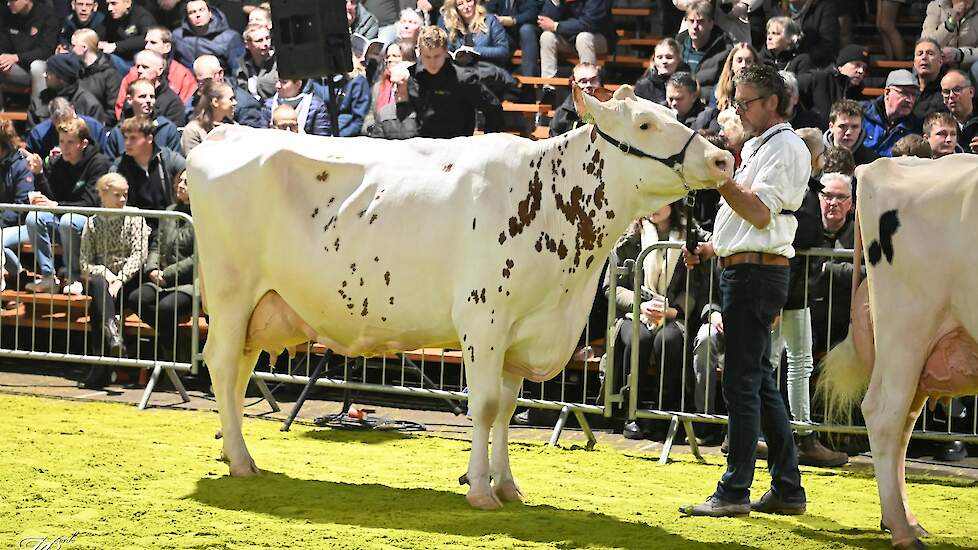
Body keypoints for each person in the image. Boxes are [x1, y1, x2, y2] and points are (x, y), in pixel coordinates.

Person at [680, 63, 809, 518]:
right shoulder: (763, 147)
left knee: (741, 381)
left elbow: (757, 214)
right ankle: (788, 488)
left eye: (745, 102)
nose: (739, 109)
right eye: (736, 101)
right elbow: (750, 224)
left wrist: (718, 177)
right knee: (758, 382)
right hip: (747, 269)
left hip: (757, 275)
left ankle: (735, 490)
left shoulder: (785, 148)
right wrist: (713, 249)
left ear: (772, 102)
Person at [768, 126, 849, 468]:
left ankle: (777, 432)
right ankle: (799, 435)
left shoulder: (795, 188)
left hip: (787, 291)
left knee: (778, 362)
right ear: (815, 158)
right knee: (789, 363)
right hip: (787, 291)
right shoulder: (799, 196)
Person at [605, 200, 703, 440]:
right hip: (633, 314)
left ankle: (663, 414)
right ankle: (631, 414)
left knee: (668, 341)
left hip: (671, 316)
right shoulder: (629, 235)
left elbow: (697, 285)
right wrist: (640, 304)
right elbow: (612, 287)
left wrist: (675, 310)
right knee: (640, 337)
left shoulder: (691, 235)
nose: (652, 205)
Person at [77, 172, 151, 388]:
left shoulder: (134, 216)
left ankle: (100, 365)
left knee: (98, 304)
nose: (122, 200)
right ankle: (112, 335)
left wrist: (119, 279)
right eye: (117, 195)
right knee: (99, 286)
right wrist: (106, 274)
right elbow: (84, 263)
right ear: (102, 194)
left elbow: (140, 254)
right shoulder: (92, 222)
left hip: (130, 281)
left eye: (125, 195)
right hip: (104, 283)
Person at [23, 117, 110, 294]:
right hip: (62, 216)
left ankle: (74, 278)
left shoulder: (99, 163)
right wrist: (39, 174)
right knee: (34, 217)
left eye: (70, 142)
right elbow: (51, 197)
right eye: (62, 141)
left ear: (83, 143)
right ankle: (48, 277)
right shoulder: (57, 163)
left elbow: (90, 203)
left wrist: (55, 205)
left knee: (68, 220)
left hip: (89, 221)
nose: (64, 147)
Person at [127, 169, 196, 362]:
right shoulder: (170, 212)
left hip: (190, 282)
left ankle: (169, 356)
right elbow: (156, 244)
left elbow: (198, 257)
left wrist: (168, 273)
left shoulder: (205, 215)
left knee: (166, 309)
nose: (180, 185)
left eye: (187, 183)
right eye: (179, 181)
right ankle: (173, 350)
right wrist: (152, 269)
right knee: (137, 298)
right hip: (161, 278)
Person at [399, 26, 503, 138]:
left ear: (445, 52)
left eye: (437, 56)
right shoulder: (413, 77)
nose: (432, 62)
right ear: (419, 53)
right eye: (427, 57)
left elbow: (493, 108)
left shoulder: (464, 79)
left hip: (456, 147)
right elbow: (404, 115)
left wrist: (487, 143)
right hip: (423, 147)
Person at [809, 171, 857, 358]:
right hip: (809, 321)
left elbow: (869, 273)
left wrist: (828, 270)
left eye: (841, 197)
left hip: (846, 325)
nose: (833, 202)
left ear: (850, 204)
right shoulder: (804, 231)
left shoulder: (862, 235)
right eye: (828, 196)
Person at [115, 26, 199, 119]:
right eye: (146, 42)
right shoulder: (134, 73)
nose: (147, 47)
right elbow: (121, 106)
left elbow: (183, 109)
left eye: (153, 43)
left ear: (167, 47)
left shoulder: (182, 74)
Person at [110, 116, 185, 213]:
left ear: (149, 138)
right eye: (125, 138)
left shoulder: (169, 159)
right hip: (134, 223)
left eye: (133, 138)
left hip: (168, 221)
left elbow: (189, 175)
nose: (127, 143)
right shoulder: (119, 166)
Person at [0, 0, 58, 106]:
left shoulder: (47, 15)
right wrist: (4, 58)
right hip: (15, 68)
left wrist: (17, 57)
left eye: (13, 1)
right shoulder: (6, 14)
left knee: (36, 66)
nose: (9, 3)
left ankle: (38, 115)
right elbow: (3, 44)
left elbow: (46, 50)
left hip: (41, 69)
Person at [797, 43, 870, 129]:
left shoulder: (859, 95)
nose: (861, 71)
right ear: (840, 66)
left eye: (864, 68)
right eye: (857, 65)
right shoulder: (818, 79)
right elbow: (788, 89)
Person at [106, 79, 182, 160]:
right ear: (129, 99)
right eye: (142, 96)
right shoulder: (118, 133)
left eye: (152, 97)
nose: (148, 100)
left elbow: (177, 165)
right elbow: (110, 166)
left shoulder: (167, 129)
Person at [538, 0, 613, 81]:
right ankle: (548, 87)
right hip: (569, 39)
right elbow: (545, 21)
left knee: (583, 37)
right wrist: (556, 2)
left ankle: (587, 83)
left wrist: (557, 26)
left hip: (598, 39)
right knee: (547, 36)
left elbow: (589, 23)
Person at [28, 52, 108, 128]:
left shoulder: (89, 104)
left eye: (48, 72)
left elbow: (96, 138)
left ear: (61, 78)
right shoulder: (39, 100)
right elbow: (31, 135)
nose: (44, 75)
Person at [692, 42, 757, 132]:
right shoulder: (718, 91)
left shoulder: (759, 94)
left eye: (749, 61)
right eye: (739, 60)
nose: (743, 65)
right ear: (731, 64)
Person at [676, 0, 733, 103]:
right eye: (691, 21)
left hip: (708, 105)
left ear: (711, 24)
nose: (695, 27)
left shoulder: (724, 50)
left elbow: (725, 86)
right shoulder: (678, 47)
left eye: (700, 21)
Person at [0, 120, 34, 288]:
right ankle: (19, 274)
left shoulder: (22, 166)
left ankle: (16, 276)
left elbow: (21, 206)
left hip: (23, 224)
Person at [115, 49, 187, 126]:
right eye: (138, 66)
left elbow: (172, 133)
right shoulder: (133, 94)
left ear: (159, 70)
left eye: (145, 67)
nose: (139, 70)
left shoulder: (172, 102)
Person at [189, 54, 263, 128]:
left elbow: (250, 135)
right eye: (198, 81)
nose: (201, 86)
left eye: (206, 80)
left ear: (220, 74)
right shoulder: (196, 99)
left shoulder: (246, 105)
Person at [171, 0, 245, 74]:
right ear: (187, 17)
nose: (198, 15)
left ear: (210, 13)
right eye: (192, 12)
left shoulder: (230, 37)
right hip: (188, 82)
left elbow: (238, 71)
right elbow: (171, 63)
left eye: (201, 10)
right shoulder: (178, 36)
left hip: (218, 82)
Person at [862, 69, 922, 157]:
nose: (910, 100)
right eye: (904, 93)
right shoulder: (862, 115)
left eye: (914, 95)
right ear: (887, 92)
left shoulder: (915, 128)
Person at [26, 97, 108, 161]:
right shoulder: (38, 134)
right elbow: (32, 163)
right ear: (51, 118)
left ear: (73, 109)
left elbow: (103, 158)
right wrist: (49, 160)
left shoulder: (95, 127)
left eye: (68, 120)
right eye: (59, 124)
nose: (65, 126)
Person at [72, 29, 124, 127]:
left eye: (74, 46)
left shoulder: (110, 74)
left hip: (97, 126)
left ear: (84, 47)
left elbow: (113, 110)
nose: (71, 49)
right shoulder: (74, 70)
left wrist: (92, 123)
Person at [439, 0, 511, 67]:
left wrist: (474, 50)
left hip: (488, 70)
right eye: (460, 4)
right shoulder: (451, 25)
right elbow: (448, 51)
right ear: (455, 8)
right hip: (462, 72)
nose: (466, 6)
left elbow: (503, 51)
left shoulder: (490, 21)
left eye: (469, 1)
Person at [369, 40, 417, 133]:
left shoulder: (417, 86)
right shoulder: (378, 87)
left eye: (395, 56)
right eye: (387, 57)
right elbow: (370, 114)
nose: (390, 59)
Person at [100, 0, 157, 75]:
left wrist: (116, 46)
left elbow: (148, 38)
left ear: (127, 3)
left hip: (140, 64)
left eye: (114, 3)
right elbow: (98, 33)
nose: (109, 8)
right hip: (121, 59)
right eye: (108, 4)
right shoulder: (110, 17)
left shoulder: (142, 15)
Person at [485, 0, 540, 76]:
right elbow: (488, 11)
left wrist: (512, 20)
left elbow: (531, 14)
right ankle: (496, 76)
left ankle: (528, 81)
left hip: (528, 34)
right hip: (507, 34)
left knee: (526, 29)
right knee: (494, 32)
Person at [259, 78, 330, 136]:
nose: (278, 85)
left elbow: (322, 140)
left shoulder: (316, 106)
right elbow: (262, 135)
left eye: (284, 82)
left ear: (298, 84)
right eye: (278, 81)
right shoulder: (268, 105)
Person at [821, 99, 879, 168]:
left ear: (861, 128)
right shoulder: (817, 156)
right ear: (831, 127)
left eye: (855, 127)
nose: (848, 132)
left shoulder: (871, 162)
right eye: (842, 126)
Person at [183, 80, 236, 154]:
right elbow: (194, 162)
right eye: (231, 99)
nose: (235, 103)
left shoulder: (233, 127)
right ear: (215, 102)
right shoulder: (193, 131)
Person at [550, 62, 601, 136]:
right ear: (573, 84)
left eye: (593, 80)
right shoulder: (562, 114)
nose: (589, 85)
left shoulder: (610, 110)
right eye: (583, 81)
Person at [635, 38, 685, 105]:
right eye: (659, 57)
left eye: (669, 57)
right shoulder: (643, 86)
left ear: (678, 59)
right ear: (654, 60)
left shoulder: (687, 84)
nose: (664, 61)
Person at [235, 23, 277, 101]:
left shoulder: (278, 62)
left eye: (267, 38)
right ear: (248, 44)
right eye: (259, 40)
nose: (265, 44)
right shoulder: (242, 66)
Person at [941, 68, 978, 152]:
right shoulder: (938, 124)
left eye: (957, 90)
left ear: (971, 92)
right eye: (946, 92)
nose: (951, 96)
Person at [912, 38, 949, 120]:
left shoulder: (947, 91)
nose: (924, 57)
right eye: (920, 53)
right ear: (914, 63)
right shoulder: (907, 89)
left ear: (940, 61)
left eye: (930, 53)